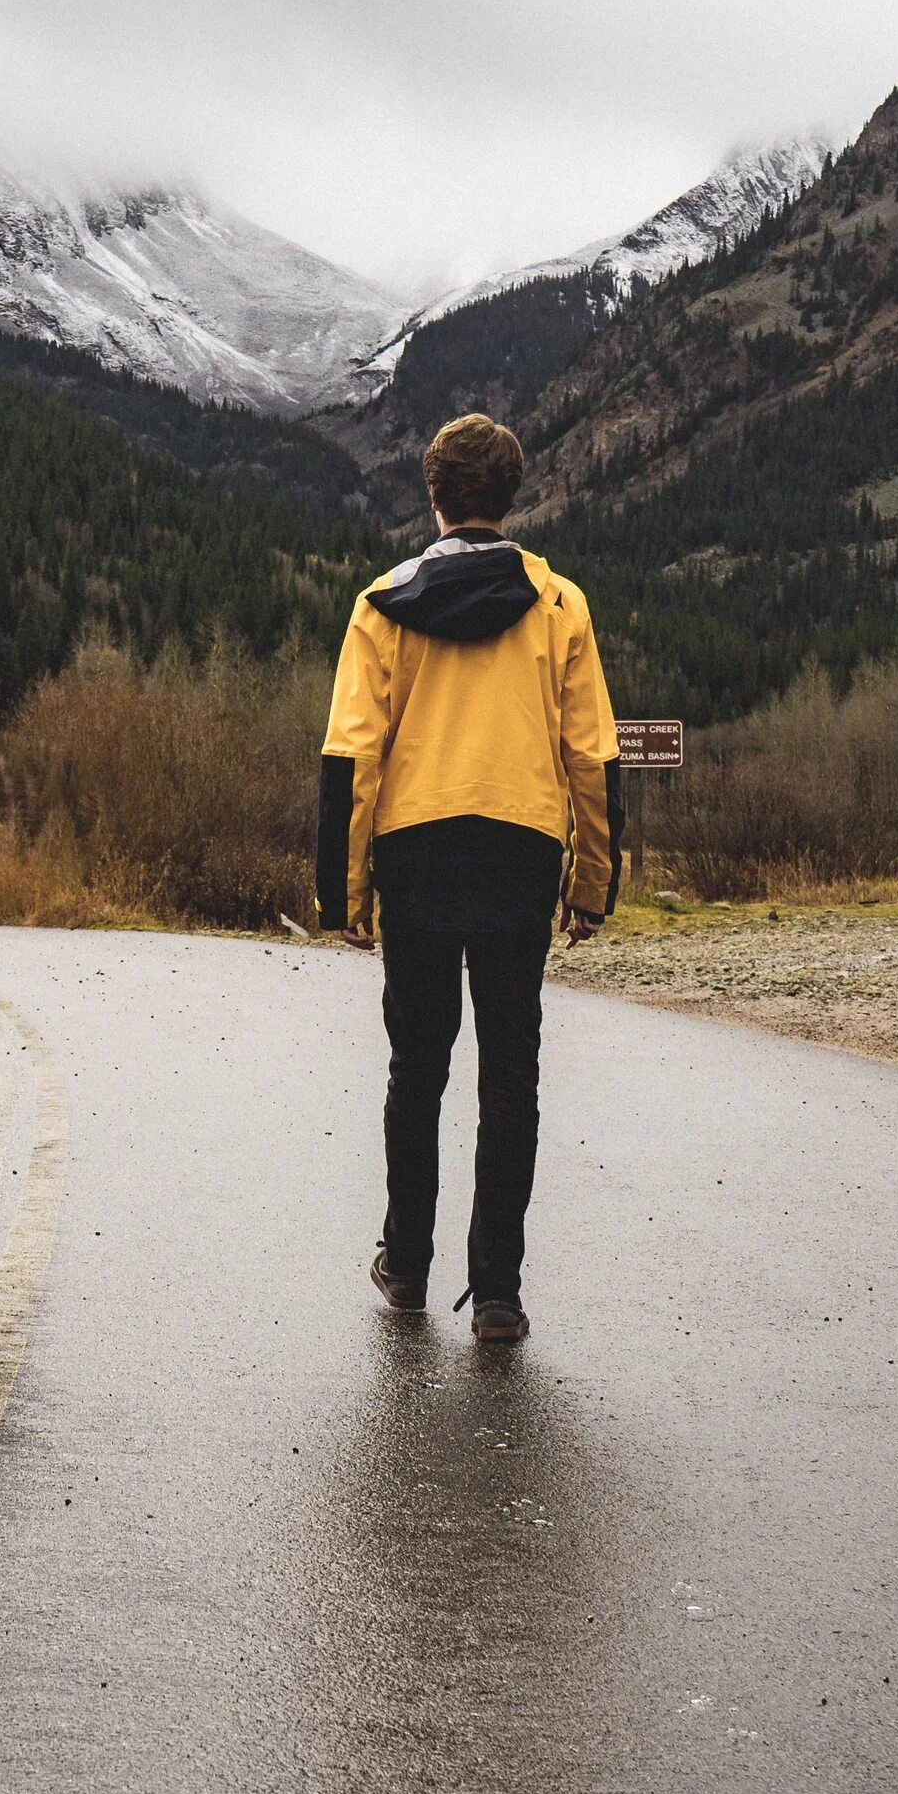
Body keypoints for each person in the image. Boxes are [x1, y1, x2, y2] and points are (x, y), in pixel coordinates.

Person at [316, 414, 618, 1342]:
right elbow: (591, 759)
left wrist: (344, 891)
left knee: (418, 1067)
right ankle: (498, 1294)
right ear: (512, 494)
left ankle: (406, 1265)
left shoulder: (380, 605)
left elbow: (351, 757)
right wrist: (592, 884)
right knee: (511, 1074)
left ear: (435, 495)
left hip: (414, 852)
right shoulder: (560, 604)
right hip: (518, 851)